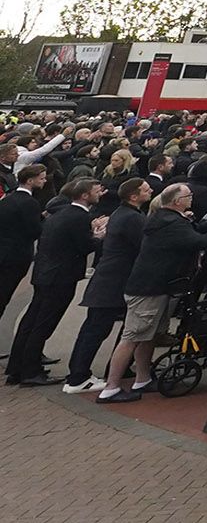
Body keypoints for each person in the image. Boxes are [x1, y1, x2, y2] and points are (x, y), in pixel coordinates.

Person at [98, 184, 207, 402]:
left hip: (157, 286)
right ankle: (111, 387)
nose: (191, 198)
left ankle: (142, 378)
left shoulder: (167, 219)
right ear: (176, 201)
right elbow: (201, 241)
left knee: (148, 336)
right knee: (133, 336)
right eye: (187, 196)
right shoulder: (170, 223)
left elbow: (192, 234)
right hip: (149, 288)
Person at [7, 178, 107, 386]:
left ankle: (17, 367)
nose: (100, 194)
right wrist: (98, 237)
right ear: (85, 195)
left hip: (45, 273)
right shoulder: (79, 217)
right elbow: (83, 246)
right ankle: (30, 371)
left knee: (31, 320)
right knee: (43, 324)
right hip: (61, 277)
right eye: (97, 191)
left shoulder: (61, 213)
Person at [62, 179, 151, 393]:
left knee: (96, 329)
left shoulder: (122, 214)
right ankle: (78, 377)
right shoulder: (132, 218)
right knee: (96, 330)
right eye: (146, 190)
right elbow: (145, 246)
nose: (150, 192)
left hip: (108, 280)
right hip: (113, 282)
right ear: (134, 196)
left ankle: (100, 370)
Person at [0, 164, 48, 345]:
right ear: (30, 180)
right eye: (41, 178)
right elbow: (35, 231)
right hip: (16, 257)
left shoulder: (7, 199)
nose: (44, 181)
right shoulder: (29, 203)